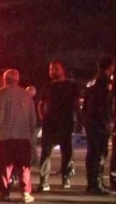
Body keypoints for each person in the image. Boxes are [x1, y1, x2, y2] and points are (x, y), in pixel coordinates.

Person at [0, 69, 37, 203]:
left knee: (4, 166)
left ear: (5, 80)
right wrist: (31, 133)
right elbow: (32, 116)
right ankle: (26, 193)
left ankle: (4, 193)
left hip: (6, 135)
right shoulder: (26, 94)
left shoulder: (3, 93)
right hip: (23, 136)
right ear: (17, 80)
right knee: (23, 167)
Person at [36, 61, 80, 191]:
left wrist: (78, 120)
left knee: (67, 152)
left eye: (55, 69)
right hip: (50, 123)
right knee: (46, 152)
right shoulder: (47, 86)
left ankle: (65, 177)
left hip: (66, 122)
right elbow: (41, 103)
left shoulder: (71, 85)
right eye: (50, 69)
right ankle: (43, 181)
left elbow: (76, 103)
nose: (52, 72)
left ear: (62, 70)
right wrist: (42, 116)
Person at [83, 56, 114, 195]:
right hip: (100, 124)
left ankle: (92, 183)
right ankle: (96, 184)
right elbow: (105, 105)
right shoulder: (106, 83)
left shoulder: (91, 82)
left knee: (92, 154)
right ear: (110, 67)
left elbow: (86, 105)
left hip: (91, 123)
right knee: (99, 154)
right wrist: (108, 122)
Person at [25, 86, 40, 168]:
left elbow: (33, 115)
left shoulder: (33, 101)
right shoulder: (33, 101)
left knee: (32, 142)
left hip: (35, 124)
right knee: (31, 142)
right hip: (34, 124)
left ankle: (34, 160)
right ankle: (33, 159)